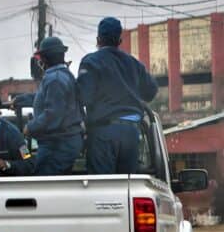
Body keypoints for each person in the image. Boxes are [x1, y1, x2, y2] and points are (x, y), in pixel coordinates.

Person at [79, 17, 159, 175]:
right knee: (126, 186)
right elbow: (151, 91)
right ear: (120, 40)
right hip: (131, 134)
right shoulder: (134, 64)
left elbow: (83, 97)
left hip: (103, 133)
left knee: (102, 187)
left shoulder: (91, 62)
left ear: (98, 39)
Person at [24, 36, 85, 176]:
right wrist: (20, 100)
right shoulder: (62, 76)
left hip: (57, 144)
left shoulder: (54, 79)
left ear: (44, 59)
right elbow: (49, 100)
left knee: (44, 187)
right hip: (61, 142)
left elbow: (53, 113)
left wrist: (30, 127)